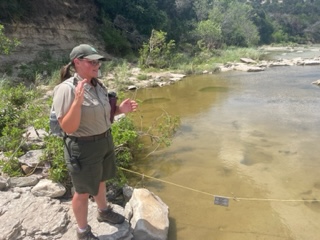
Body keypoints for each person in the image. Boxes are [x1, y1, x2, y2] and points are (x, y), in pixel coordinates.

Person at [52, 44, 138, 240]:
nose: (97, 65)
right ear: (77, 62)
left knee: (101, 180)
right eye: (92, 61)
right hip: (83, 147)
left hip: (104, 141)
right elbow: (68, 127)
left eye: (98, 61)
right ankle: (83, 232)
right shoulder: (66, 89)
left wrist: (120, 110)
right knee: (82, 192)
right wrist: (77, 101)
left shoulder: (98, 85)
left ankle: (103, 211)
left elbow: (103, 116)